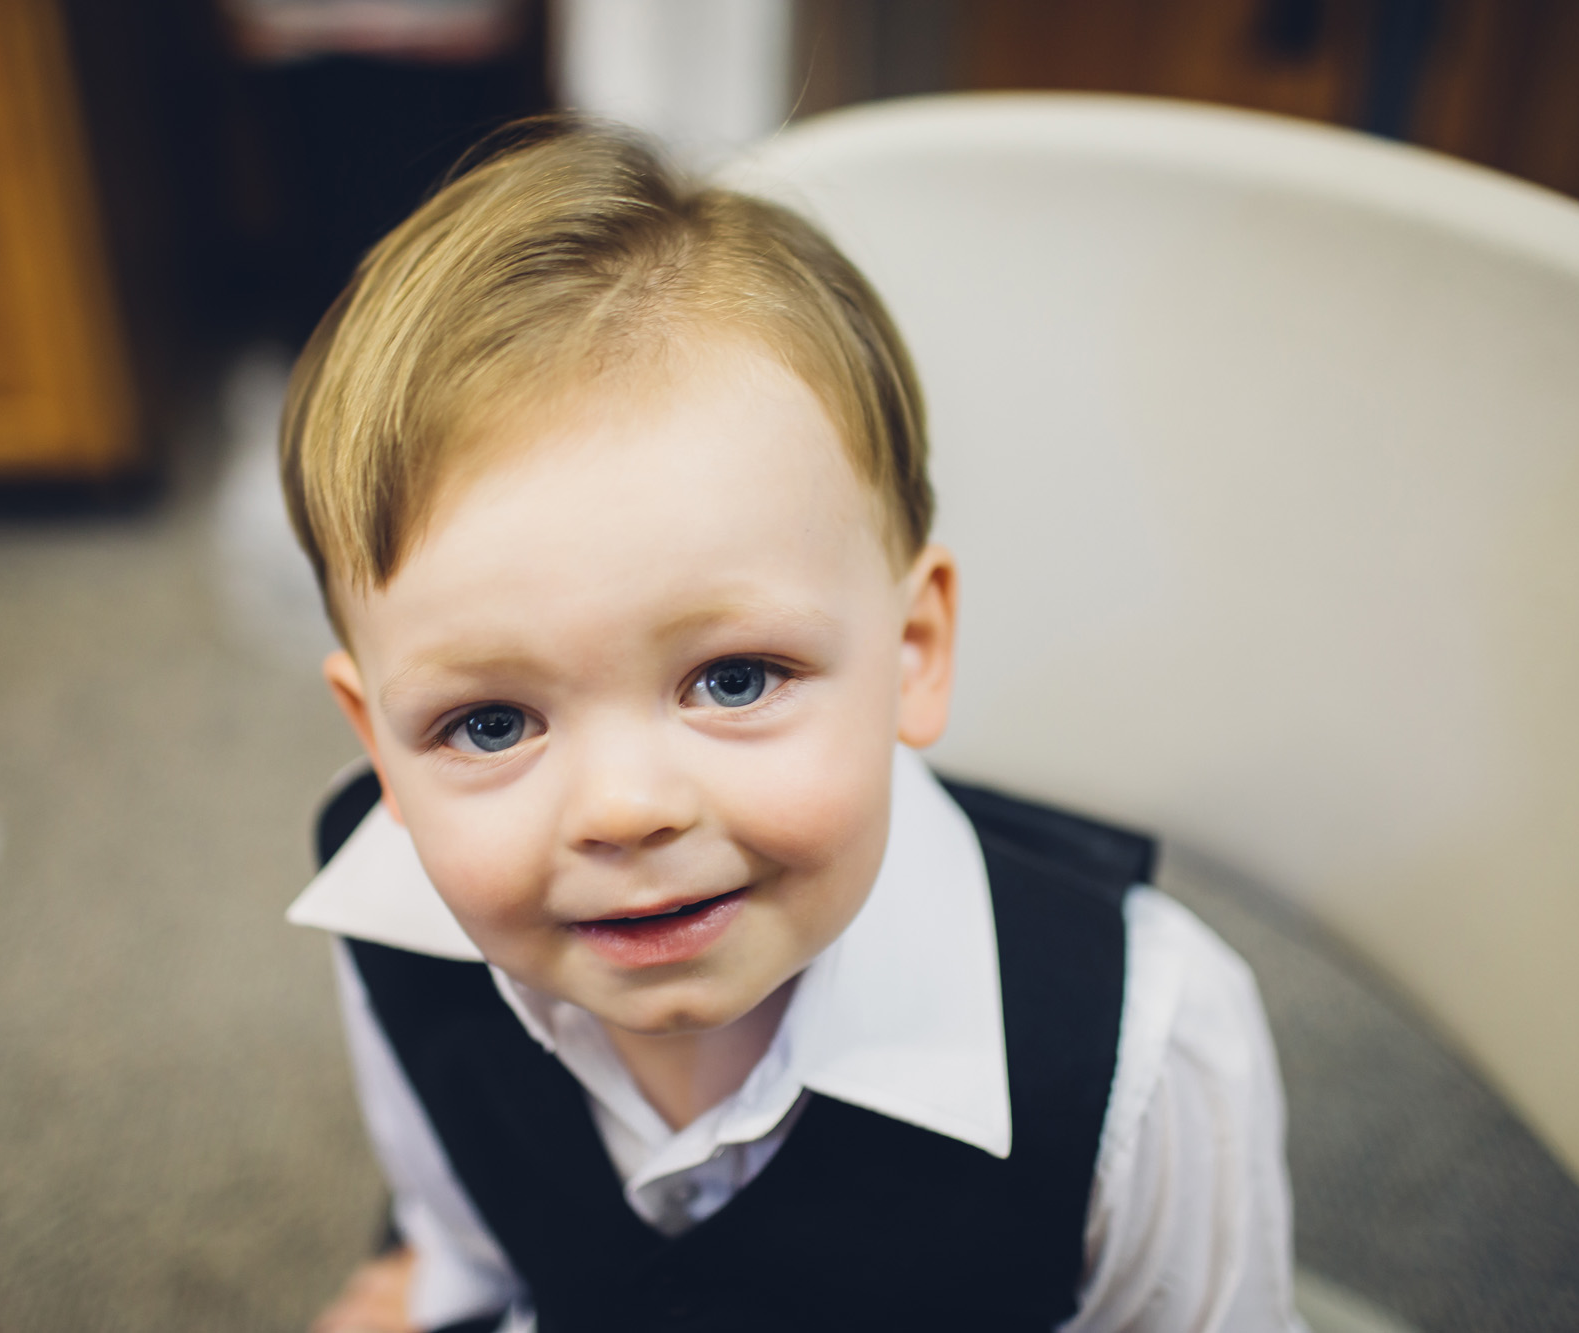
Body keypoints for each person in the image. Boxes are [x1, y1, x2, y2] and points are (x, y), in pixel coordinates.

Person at [280, 117, 1305, 1333]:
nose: (622, 808)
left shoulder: (1137, 1052)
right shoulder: (390, 913)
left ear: (911, 652)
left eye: (732, 679)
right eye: (490, 722)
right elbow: (463, 1221)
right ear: (380, 745)